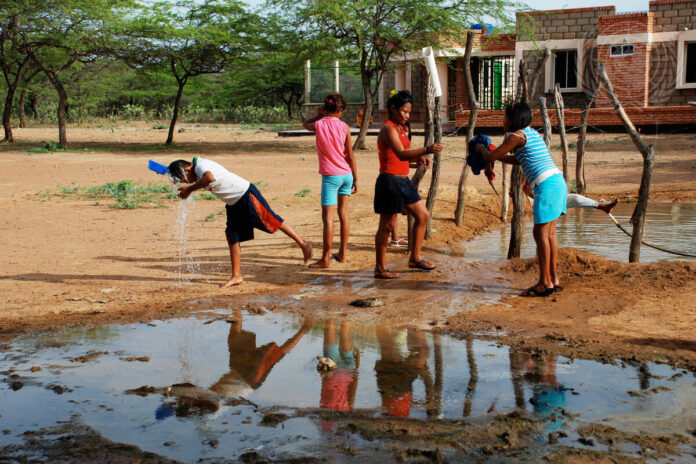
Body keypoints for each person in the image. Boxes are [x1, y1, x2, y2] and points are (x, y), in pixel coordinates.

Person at [168, 157, 313, 287]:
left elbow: (210, 178)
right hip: (233, 203)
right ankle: (236, 276)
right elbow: (211, 182)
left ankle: (303, 243)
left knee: (271, 220)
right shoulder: (197, 171)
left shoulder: (201, 165)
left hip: (245, 195)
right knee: (232, 235)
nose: (187, 182)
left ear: (187, 169)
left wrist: (190, 189)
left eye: (184, 179)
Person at [478, 102, 566, 297]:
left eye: (504, 118)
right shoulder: (531, 133)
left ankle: (544, 283)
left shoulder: (515, 136)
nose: (503, 121)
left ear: (512, 119)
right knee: (550, 234)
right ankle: (553, 279)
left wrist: (480, 149)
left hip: (547, 186)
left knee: (540, 234)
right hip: (557, 181)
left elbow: (491, 156)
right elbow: (520, 159)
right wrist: (499, 157)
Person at [374, 90, 442, 279]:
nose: (407, 115)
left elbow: (403, 158)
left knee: (423, 215)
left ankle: (415, 258)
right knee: (386, 226)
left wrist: (417, 160)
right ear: (393, 109)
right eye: (404, 111)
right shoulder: (388, 128)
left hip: (402, 181)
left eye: (409, 112)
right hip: (389, 181)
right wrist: (426, 150)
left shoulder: (401, 128)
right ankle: (380, 267)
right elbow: (401, 154)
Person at [302, 94, 358, 268]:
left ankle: (325, 259)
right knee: (344, 214)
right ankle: (342, 253)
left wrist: (319, 115)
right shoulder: (345, 127)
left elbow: (305, 125)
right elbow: (350, 154)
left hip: (331, 178)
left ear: (325, 108)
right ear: (340, 110)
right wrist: (356, 177)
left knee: (328, 219)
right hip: (346, 175)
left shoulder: (318, 125)